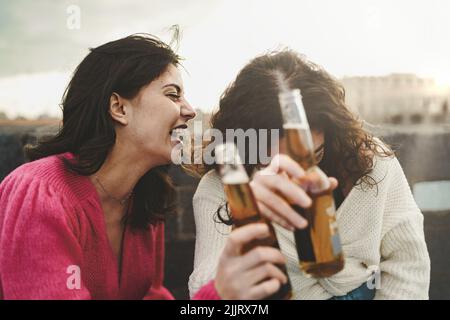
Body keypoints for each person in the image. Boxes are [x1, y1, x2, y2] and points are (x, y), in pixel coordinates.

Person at [0, 35, 324, 300]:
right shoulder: (40, 192)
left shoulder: (143, 199)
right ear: (118, 107)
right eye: (173, 95)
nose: (189, 111)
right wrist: (219, 294)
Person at [189, 50, 431, 300]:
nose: (302, 175)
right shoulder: (220, 188)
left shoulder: (372, 164)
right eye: (280, 165)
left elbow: (408, 266)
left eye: (315, 155)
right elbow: (204, 287)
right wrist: (249, 223)